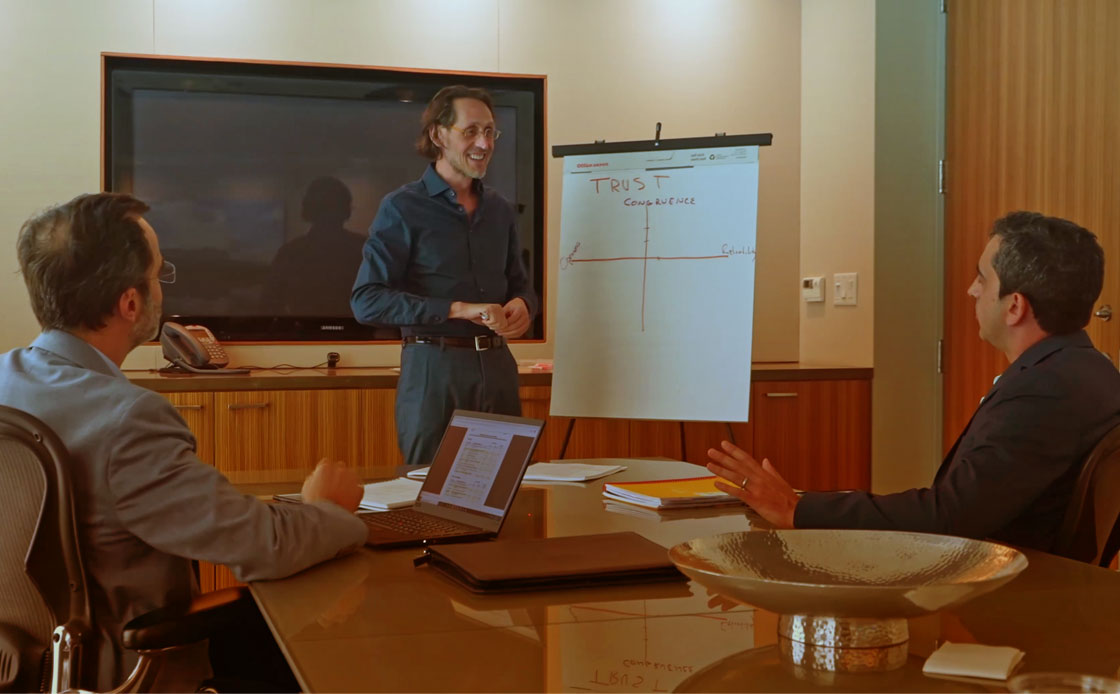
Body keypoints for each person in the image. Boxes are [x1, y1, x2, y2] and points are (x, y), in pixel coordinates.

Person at [0, 193, 369, 691]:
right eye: (159, 273)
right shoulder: (128, 419)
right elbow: (264, 545)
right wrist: (329, 509)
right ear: (130, 302)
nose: (161, 286)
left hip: (20, 664)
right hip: (122, 671)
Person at [707, 211, 1120, 553]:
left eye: (983, 278)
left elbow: (948, 517)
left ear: (1015, 306)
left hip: (1008, 590)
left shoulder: (1043, 392)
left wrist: (798, 509)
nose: (971, 290)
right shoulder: (1090, 370)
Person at [351, 85, 538, 465]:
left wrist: (524, 305)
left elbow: (521, 286)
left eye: (489, 132)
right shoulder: (402, 207)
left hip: (498, 368)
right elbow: (366, 300)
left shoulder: (500, 210)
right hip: (433, 372)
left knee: (506, 497)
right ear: (438, 135)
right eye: (471, 131)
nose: (484, 143)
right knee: (427, 498)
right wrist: (457, 309)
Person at [265, 175, 367, 316]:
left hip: (305, 334)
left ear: (309, 209)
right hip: (357, 334)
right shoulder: (364, 249)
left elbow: (269, 303)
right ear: (346, 210)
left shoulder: (291, 252)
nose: (329, 217)